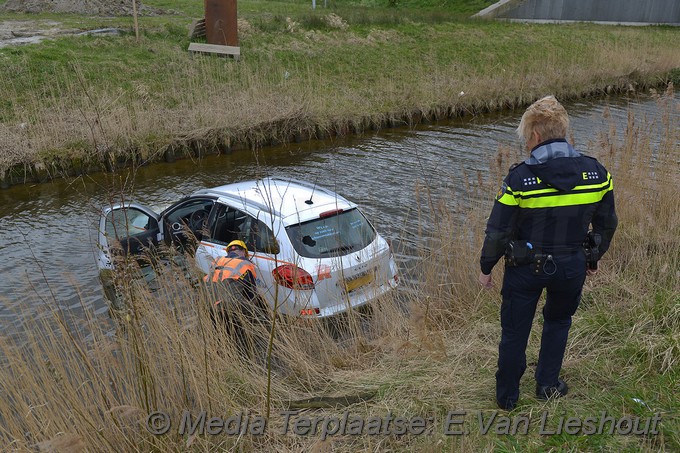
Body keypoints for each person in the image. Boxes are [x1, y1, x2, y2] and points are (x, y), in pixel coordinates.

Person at [478, 95, 618, 411]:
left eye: (527, 137)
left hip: (525, 267)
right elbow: (607, 224)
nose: (526, 143)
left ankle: (507, 397)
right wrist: (592, 258)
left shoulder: (519, 179)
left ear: (536, 136)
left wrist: (486, 267)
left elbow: (497, 230)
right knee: (558, 322)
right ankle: (548, 386)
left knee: (515, 331)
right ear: (563, 132)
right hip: (571, 266)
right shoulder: (597, 173)